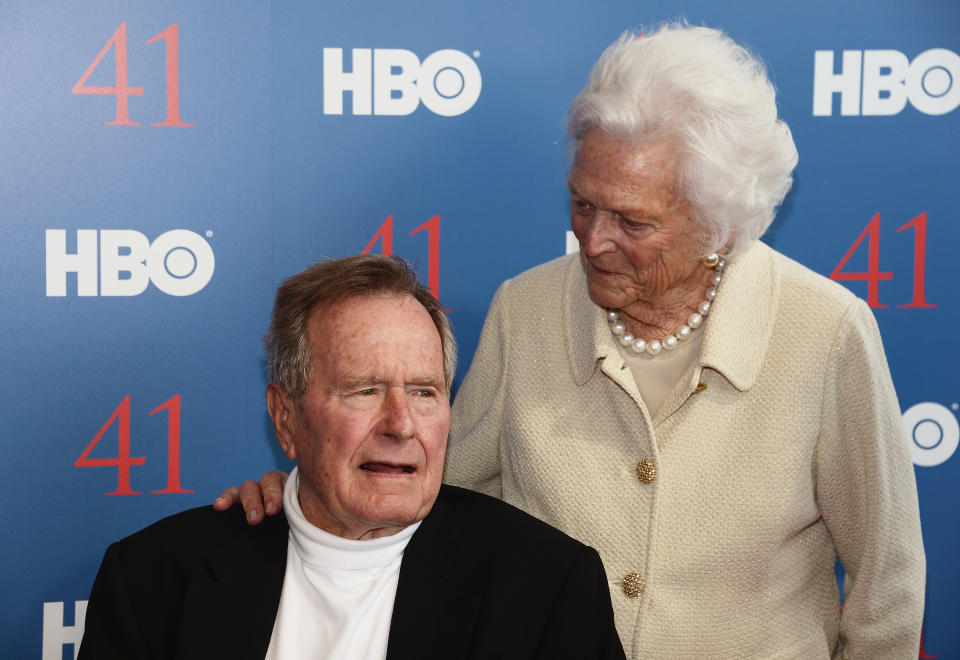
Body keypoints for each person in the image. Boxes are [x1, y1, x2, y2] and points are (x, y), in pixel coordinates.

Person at [219, 23, 925, 658]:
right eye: (583, 203)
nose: (594, 239)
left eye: (633, 221)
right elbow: (426, 485)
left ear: (720, 224)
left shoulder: (825, 332)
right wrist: (304, 492)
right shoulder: (525, 310)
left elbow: (887, 588)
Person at [79, 255, 625, 660]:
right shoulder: (152, 578)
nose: (401, 424)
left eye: (425, 391)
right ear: (286, 418)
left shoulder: (545, 583)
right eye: (363, 391)